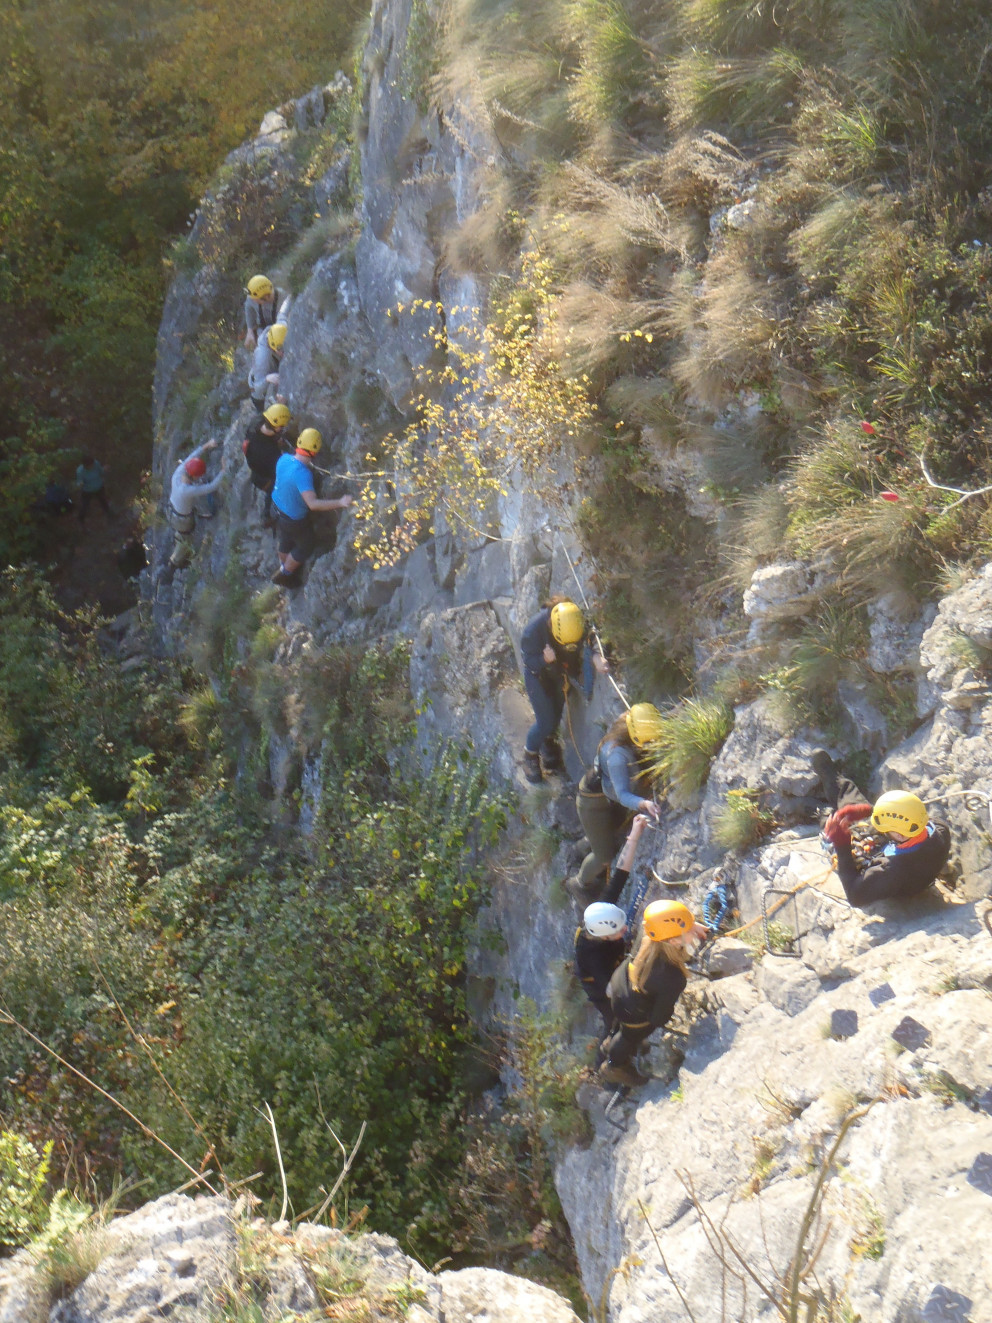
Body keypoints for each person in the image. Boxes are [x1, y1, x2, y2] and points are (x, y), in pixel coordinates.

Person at [815, 750, 951, 907]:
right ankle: (831, 778)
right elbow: (902, 818)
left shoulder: (889, 871)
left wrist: (842, 846)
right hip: (902, 853)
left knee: (830, 820)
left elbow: (855, 897)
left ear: (899, 835)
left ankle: (817, 811)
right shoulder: (940, 829)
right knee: (852, 805)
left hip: (893, 877)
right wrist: (868, 810)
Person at [600, 899, 707, 1088]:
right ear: (674, 941)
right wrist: (658, 1018)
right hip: (631, 1012)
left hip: (621, 983)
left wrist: (688, 925)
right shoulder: (673, 977)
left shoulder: (650, 934)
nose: (693, 930)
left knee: (623, 1027)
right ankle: (613, 1066)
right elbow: (659, 1018)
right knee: (630, 1035)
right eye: (688, 929)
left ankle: (610, 1041)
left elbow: (664, 922)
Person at [568, 703, 663, 903]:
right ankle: (580, 883)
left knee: (612, 832)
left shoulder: (630, 721)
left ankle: (585, 844)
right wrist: (644, 804)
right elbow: (622, 794)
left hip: (606, 792)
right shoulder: (617, 756)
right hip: (594, 802)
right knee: (605, 856)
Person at [574, 814, 650, 1038]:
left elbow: (620, 873)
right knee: (616, 1022)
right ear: (605, 938)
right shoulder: (594, 958)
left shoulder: (600, 913)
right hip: (600, 986)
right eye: (619, 930)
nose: (625, 929)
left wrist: (635, 834)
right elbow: (612, 989)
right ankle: (608, 1061)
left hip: (613, 960)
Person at [519, 598, 608, 783]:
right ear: (552, 626)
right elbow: (529, 663)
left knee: (557, 712)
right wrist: (545, 660)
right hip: (539, 676)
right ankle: (530, 754)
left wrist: (597, 657)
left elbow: (592, 637)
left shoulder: (573, 619)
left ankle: (547, 742)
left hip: (559, 671)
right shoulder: (533, 632)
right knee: (545, 721)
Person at [270, 428, 352, 588]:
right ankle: (285, 574)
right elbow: (313, 504)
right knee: (305, 546)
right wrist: (340, 502)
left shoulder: (284, 459)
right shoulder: (302, 474)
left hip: (277, 509)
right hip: (294, 520)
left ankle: (283, 563)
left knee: (285, 538)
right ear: (314, 452)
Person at [169, 438, 227, 568]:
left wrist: (207, 445)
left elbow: (191, 457)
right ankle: (174, 563)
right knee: (185, 538)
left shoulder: (179, 473)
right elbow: (212, 486)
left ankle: (178, 545)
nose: (200, 478)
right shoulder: (186, 491)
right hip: (182, 519)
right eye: (199, 476)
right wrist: (223, 470)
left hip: (173, 511)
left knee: (180, 534)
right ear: (194, 476)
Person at [244, 403, 293, 521]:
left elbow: (274, 416)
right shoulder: (269, 453)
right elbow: (279, 472)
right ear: (277, 428)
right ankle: (267, 515)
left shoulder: (256, 423)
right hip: (264, 478)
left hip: (256, 467)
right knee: (276, 488)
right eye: (282, 426)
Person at [248, 322, 288, 412]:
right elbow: (256, 388)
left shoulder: (276, 331)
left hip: (265, 371)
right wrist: (267, 379)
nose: (283, 352)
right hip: (259, 395)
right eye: (280, 349)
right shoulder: (262, 357)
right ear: (272, 345)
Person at [243, 275, 285, 351]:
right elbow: (248, 307)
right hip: (263, 331)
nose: (253, 300)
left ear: (266, 297)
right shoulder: (253, 298)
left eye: (255, 299)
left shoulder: (283, 300)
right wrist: (250, 331)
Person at [76, 456, 111, 523]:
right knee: (84, 506)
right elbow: (79, 482)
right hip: (87, 491)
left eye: (92, 464)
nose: (91, 466)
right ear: (84, 465)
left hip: (99, 487)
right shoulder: (80, 471)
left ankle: (109, 515)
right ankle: (81, 519)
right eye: (89, 466)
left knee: (103, 501)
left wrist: (105, 469)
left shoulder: (96, 463)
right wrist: (80, 484)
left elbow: (101, 472)